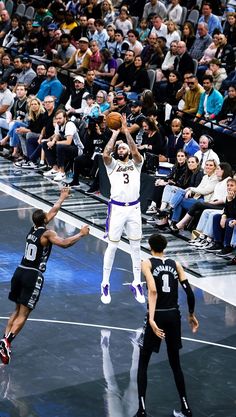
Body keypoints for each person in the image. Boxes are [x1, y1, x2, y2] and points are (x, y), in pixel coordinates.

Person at [0, 188, 90, 365]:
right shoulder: (47, 233)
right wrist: (81, 234)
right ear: (45, 221)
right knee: (25, 313)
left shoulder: (33, 229)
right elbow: (64, 244)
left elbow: (53, 211)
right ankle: (7, 341)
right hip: (32, 275)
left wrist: (62, 198)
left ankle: (4, 341)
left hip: (19, 271)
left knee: (16, 310)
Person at [134, 233, 199, 417]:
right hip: (174, 316)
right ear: (165, 247)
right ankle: (186, 407)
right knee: (175, 363)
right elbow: (189, 292)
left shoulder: (146, 263)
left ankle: (142, 410)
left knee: (143, 363)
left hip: (158, 315)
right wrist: (191, 314)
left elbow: (153, 290)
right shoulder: (175, 264)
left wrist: (152, 319)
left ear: (149, 246)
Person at [101, 115, 145, 305]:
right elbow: (105, 155)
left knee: (136, 247)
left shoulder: (137, 163)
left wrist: (126, 131)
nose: (120, 149)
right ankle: (105, 282)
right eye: (118, 147)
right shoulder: (113, 165)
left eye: (123, 147)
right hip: (117, 209)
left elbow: (135, 152)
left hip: (134, 208)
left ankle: (136, 282)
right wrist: (115, 134)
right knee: (112, 246)